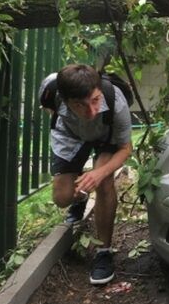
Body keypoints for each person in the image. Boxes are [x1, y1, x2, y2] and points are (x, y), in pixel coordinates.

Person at [39, 64, 132, 285]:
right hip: (70, 134)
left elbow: (126, 148)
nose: (90, 112)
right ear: (64, 99)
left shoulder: (115, 101)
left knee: (104, 180)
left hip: (105, 136)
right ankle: (80, 199)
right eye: (80, 105)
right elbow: (48, 107)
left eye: (95, 100)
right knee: (62, 198)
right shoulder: (50, 89)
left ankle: (104, 252)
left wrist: (100, 172)